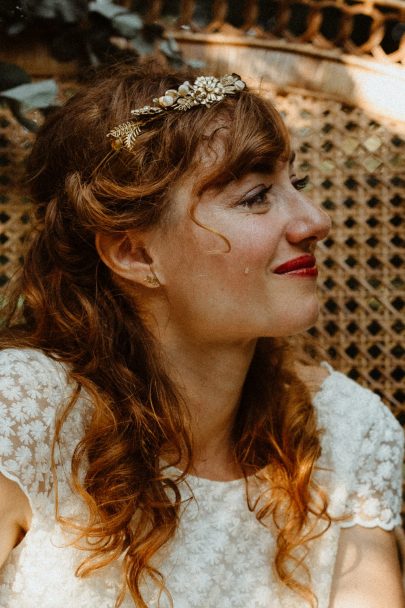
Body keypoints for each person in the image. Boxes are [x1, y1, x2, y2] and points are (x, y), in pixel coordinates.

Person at [0, 64, 403, 608]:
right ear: (135, 253)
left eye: (297, 184)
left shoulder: (348, 430)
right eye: (256, 196)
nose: (315, 219)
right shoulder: (23, 411)